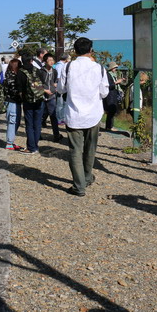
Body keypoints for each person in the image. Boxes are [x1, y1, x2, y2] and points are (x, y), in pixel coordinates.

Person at [56, 37, 109, 196]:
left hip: (74, 116)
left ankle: (79, 186)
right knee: (90, 149)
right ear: (91, 50)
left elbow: (61, 89)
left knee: (75, 151)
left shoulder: (68, 67)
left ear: (75, 50)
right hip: (93, 115)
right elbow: (104, 92)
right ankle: (87, 177)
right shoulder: (99, 68)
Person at [19, 54, 44, 155]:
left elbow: (19, 89)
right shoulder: (37, 70)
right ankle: (36, 147)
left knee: (29, 125)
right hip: (39, 100)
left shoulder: (21, 72)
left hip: (28, 101)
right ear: (31, 61)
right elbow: (42, 83)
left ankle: (31, 148)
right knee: (37, 124)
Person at [39, 53, 62, 142]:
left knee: (53, 116)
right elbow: (37, 84)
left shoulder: (54, 71)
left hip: (52, 96)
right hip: (41, 96)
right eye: (49, 60)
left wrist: (55, 86)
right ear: (45, 61)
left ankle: (56, 135)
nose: (52, 62)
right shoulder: (40, 71)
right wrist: (44, 90)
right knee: (40, 116)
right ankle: (38, 134)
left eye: (53, 60)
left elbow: (55, 81)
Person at [3, 58, 24, 151]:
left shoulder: (8, 75)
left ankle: (10, 142)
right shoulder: (12, 77)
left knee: (15, 121)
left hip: (12, 102)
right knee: (13, 122)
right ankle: (9, 143)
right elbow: (14, 91)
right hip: (12, 102)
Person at [103, 61, 126, 132]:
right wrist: (117, 82)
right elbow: (109, 85)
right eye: (115, 67)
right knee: (111, 111)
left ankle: (109, 126)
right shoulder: (108, 75)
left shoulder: (113, 75)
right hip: (110, 95)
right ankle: (109, 126)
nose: (115, 69)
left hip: (113, 94)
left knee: (112, 111)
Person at [54, 52, 70, 125]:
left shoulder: (61, 65)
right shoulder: (60, 66)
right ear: (66, 58)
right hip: (60, 87)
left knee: (63, 103)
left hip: (63, 87)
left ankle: (62, 118)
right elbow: (59, 77)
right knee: (60, 104)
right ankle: (59, 118)